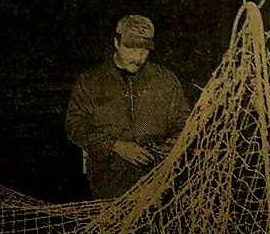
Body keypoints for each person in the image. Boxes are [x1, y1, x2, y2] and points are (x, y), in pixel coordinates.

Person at [66, 14, 191, 199]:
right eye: (130, 48)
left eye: (144, 50)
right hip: (109, 182)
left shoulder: (165, 80)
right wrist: (115, 146)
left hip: (158, 180)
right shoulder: (91, 82)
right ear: (116, 43)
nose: (138, 57)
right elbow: (75, 126)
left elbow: (183, 122)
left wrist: (167, 149)